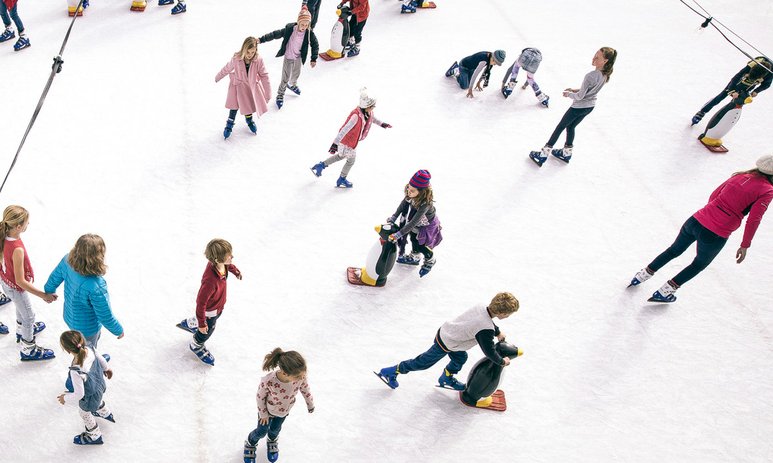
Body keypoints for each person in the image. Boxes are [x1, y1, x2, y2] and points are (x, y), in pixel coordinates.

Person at [629, 154, 773, 303]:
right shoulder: (767, 190)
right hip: (716, 233)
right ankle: (665, 292)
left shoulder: (740, 175)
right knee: (699, 264)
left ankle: (641, 276)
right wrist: (745, 245)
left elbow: (714, 195)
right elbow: (754, 219)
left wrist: (712, 213)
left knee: (673, 250)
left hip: (696, 220)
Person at [376, 292, 519, 390]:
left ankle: (446, 378)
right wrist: (502, 361)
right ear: (502, 313)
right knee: (422, 363)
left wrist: (498, 331)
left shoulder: (481, 307)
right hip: (446, 343)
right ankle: (391, 371)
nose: (509, 316)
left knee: (461, 357)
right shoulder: (485, 329)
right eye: (509, 314)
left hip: (448, 333)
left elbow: (485, 322)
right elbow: (489, 351)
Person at [529, 47, 617, 167]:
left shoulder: (590, 75)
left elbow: (580, 97)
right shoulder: (604, 75)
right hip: (589, 107)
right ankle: (566, 153)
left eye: (598, 57)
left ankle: (543, 154)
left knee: (560, 127)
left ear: (605, 61)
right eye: (595, 54)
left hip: (579, 107)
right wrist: (575, 89)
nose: (594, 58)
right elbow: (589, 91)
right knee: (571, 126)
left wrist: (569, 94)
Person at [44, 234, 124, 349]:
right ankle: (95, 365)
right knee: (88, 352)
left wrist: (49, 291)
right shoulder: (96, 286)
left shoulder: (67, 260)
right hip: (88, 328)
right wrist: (118, 330)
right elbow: (105, 315)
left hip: (70, 316)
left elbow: (54, 277)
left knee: (80, 346)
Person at [0, 206, 57, 361]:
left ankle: (22, 329)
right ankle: (28, 348)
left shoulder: (3, 235)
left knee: (21, 309)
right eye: (26, 223)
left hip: (4, 281)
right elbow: (20, 281)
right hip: (15, 287)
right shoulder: (17, 249)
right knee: (29, 317)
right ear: (18, 227)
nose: (28, 225)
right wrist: (43, 295)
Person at [309, 87, 391, 188]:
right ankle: (341, 179)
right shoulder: (356, 116)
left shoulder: (367, 112)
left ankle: (320, 166)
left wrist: (382, 124)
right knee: (350, 160)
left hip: (351, 142)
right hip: (346, 142)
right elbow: (344, 129)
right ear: (366, 105)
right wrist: (335, 143)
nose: (374, 107)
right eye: (372, 106)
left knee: (340, 156)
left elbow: (372, 118)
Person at [243, 348, 314, 463]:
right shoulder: (269, 380)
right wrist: (263, 414)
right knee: (261, 431)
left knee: (275, 429)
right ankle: (250, 442)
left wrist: (310, 403)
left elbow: (305, 389)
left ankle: (272, 440)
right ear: (285, 373)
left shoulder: (300, 377)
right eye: (298, 376)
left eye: (303, 375)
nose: (302, 378)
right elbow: (260, 397)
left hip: (284, 412)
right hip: (266, 413)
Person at [177, 238, 241, 366]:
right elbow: (200, 303)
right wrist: (202, 324)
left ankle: (193, 322)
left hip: (218, 306)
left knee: (214, 318)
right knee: (208, 330)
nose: (232, 257)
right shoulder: (210, 281)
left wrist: (235, 271)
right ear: (217, 260)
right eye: (229, 256)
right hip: (210, 311)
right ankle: (196, 344)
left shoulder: (220, 264)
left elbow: (228, 265)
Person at [57, 330, 115, 445]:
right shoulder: (90, 348)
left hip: (90, 395)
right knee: (97, 399)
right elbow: (101, 360)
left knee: (84, 413)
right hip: (100, 385)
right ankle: (104, 412)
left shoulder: (76, 369)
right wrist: (107, 369)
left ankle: (94, 435)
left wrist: (65, 398)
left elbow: (79, 394)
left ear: (68, 350)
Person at [257, 8, 319, 110]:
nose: (304, 27)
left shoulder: (309, 34)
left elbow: (315, 45)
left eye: (306, 25)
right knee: (285, 78)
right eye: (302, 24)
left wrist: (313, 58)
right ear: (298, 22)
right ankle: (280, 94)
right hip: (289, 56)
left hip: (298, 57)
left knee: (296, 74)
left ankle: (292, 84)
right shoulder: (290, 29)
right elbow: (275, 34)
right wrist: (261, 39)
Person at [387, 170, 443, 277]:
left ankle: (430, 258)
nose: (409, 191)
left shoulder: (425, 204)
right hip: (417, 224)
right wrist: (394, 217)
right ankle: (415, 256)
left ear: (421, 192)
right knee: (413, 238)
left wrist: (399, 234)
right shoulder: (410, 194)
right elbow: (402, 205)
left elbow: (413, 222)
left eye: (412, 190)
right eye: (408, 188)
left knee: (421, 244)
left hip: (426, 226)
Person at [215, 36, 271, 139]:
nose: (250, 55)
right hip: (237, 87)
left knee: (248, 105)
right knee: (234, 106)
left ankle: (249, 119)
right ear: (244, 49)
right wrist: (218, 76)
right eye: (248, 52)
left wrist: (267, 94)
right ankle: (230, 122)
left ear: (256, 51)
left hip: (249, 88)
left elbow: (264, 75)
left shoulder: (258, 60)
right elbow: (227, 68)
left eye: (252, 52)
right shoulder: (236, 59)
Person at [692, 56, 772, 125]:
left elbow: (766, 85)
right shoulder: (752, 65)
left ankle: (722, 121)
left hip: (749, 87)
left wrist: (757, 91)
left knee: (735, 104)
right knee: (721, 96)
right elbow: (736, 77)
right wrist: (732, 91)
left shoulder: (770, 74)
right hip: (738, 82)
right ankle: (702, 111)